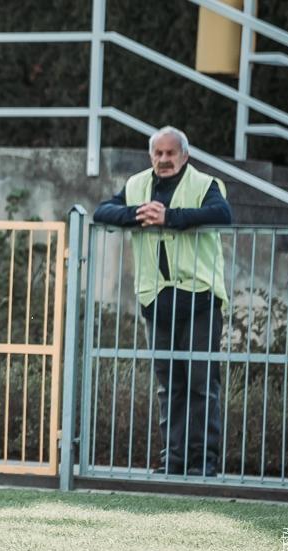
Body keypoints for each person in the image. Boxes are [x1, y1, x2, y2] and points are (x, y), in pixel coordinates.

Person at [93, 126, 232, 477]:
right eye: (158, 153)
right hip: (156, 299)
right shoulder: (137, 184)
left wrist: (170, 218)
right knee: (169, 386)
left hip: (200, 298)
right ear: (151, 155)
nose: (164, 159)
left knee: (202, 384)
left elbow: (222, 214)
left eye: (171, 153)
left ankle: (203, 462)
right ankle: (172, 460)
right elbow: (102, 211)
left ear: (184, 155)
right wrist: (138, 214)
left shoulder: (205, 184)